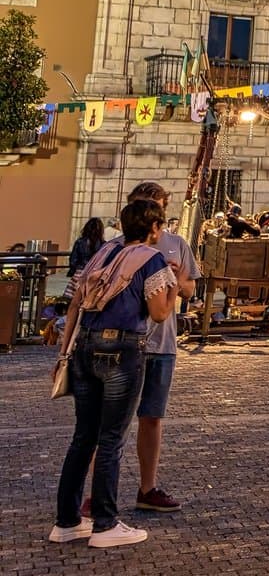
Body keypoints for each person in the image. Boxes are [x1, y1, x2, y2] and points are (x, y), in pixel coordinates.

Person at [51, 198, 178, 548]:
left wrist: (64, 353)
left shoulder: (103, 254)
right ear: (153, 228)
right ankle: (105, 524)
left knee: (84, 437)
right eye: (161, 225)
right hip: (122, 350)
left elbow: (76, 301)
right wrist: (175, 289)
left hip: (84, 348)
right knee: (111, 439)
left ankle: (66, 520)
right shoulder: (151, 260)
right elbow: (158, 314)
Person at [118, 181, 199, 516]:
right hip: (126, 339)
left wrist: (176, 280)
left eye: (157, 203)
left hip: (162, 342)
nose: (152, 208)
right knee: (113, 422)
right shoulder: (118, 245)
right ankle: (96, 492)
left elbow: (190, 290)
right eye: (145, 202)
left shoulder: (176, 244)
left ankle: (147, 487)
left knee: (152, 416)